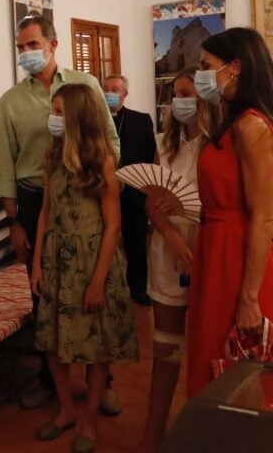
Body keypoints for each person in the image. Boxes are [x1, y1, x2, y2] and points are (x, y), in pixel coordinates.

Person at [0, 14, 121, 412]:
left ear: (53, 45)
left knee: (92, 288)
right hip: (38, 199)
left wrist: (95, 178)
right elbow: (6, 164)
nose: (26, 53)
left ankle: (104, 381)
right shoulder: (11, 101)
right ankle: (54, 384)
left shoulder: (86, 86)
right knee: (45, 294)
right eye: (20, 47)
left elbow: (111, 142)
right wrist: (14, 221)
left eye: (33, 45)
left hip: (86, 192)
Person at [31, 83, 138, 453]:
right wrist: (36, 263)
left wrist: (97, 281)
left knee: (94, 344)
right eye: (53, 110)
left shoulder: (102, 160)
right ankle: (65, 411)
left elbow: (113, 225)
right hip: (56, 261)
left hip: (92, 262)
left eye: (59, 112)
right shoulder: (52, 157)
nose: (53, 118)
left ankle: (89, 419)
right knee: (52, 340)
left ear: (77, 117)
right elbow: (45, 210)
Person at [186, 27, 273, 397]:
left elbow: (264, 216)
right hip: (217, 247)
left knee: (234, 366)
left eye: (207, 66)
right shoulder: (232, 121)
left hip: (237, 256)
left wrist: (249, 297)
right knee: (212, 354)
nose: (200, 74)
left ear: (235, 67)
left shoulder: (252, 125)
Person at [135, 67, 219, 453]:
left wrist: (191, 221)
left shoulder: (217, 145)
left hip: (205, 248)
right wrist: (169, 235)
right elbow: (151, 202)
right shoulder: (163, 144)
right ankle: (154, 431)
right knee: (165, 347)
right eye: (176, 95)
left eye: (188, 93)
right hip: (168, 251)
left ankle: (203, 430)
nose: (180, 101)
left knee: (206, 347)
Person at [103, 74, 157, 306]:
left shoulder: (141, 120)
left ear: (125, 94)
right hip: (103, 192)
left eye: (115, 89)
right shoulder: (95, 120)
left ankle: (138, 288)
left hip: (134, 192)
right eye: (105, 88)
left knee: (136, 243)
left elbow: (150, 157)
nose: (109, 93)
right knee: (105, 242)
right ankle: (106, 288)